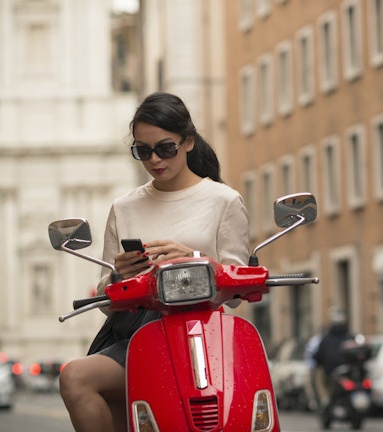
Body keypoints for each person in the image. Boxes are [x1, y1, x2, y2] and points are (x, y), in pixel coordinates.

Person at [58, 92, 250, 432]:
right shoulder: (124, 207)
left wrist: (192, 259)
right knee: (74, 376)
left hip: (204, 334)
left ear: (188, 142)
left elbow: (236, 293)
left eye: (165, 148)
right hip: (139, 334)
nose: (154, 160)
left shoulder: (224, 200)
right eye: (142, 151)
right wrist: (121, 275)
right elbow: (106, 299)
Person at [313, 308, 353, 407]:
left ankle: (324, 398)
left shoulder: (326, 338)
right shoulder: (349, 337)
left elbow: (318, 355)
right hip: (346, 371)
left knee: (318, 375)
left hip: (330, 372)